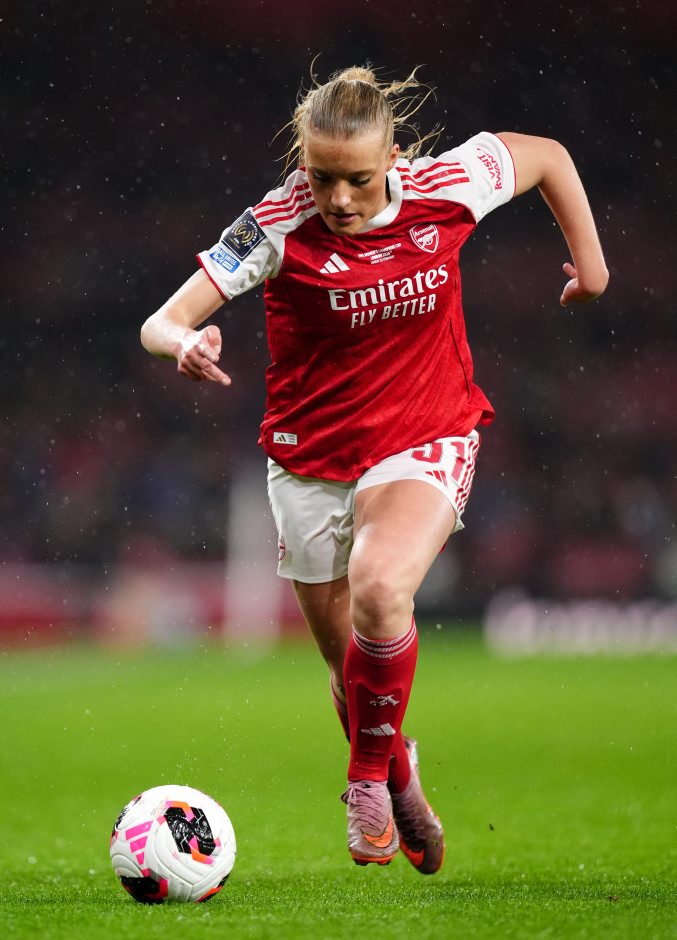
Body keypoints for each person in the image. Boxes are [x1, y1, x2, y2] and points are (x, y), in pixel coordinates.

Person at [140, 65, 609, 873]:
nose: (339, 197)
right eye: (322, 177)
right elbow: (163, 318)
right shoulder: (274, 224)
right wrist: (184, 342)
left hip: (427, 432)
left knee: (381, 587)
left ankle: (363, 781)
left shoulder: (447, 186)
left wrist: (590, 267)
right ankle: (398, 775)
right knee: (348, 664)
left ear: (393, 158)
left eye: (357, 178)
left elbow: (547, 157)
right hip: (310, 460)